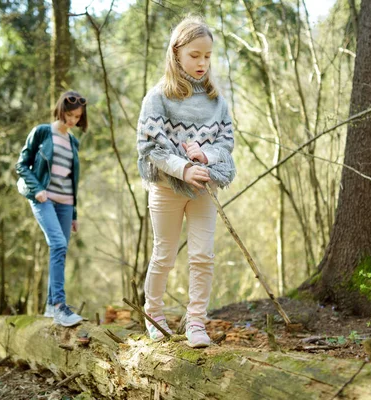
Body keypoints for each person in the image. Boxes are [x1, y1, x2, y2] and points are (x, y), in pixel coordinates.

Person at [137, 16, 236, 347]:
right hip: (166, 188)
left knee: (202, 256)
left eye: (207, 56)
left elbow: (226, 144)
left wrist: (206, 157)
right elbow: (151, 147)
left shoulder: (216, 100)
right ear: (176, 52)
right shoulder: (158, 96)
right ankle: (154, 315)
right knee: (164, 254)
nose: (202, 63)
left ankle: (196, 323)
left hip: (204, 188)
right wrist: (183, 168)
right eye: (195, 55)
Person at [15, 91, 88, 327]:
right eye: (69, 115)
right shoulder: (43, 132)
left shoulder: (73, 141)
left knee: (60, 250)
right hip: (43, 199)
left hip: (66, 203)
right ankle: (59, 306)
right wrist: (37, 188)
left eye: (77, 117)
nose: (72, 120)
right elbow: (21, 164)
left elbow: (72, 180)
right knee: (57, 244)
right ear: (60, 110)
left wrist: (74, 213)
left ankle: (49, 306)